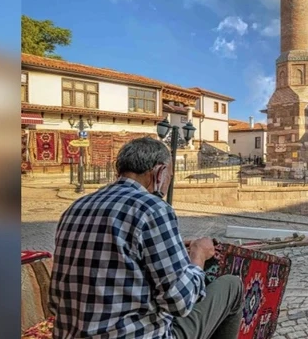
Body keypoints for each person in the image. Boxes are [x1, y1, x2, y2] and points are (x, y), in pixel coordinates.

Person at [50, 137, 243, 339]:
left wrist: (172, 248)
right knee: (232, 286)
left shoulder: (76, 208)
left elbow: (55, 302)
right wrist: (199, 256)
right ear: (160, 173)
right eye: (170, 176)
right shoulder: (153, 208)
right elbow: (180, 303)